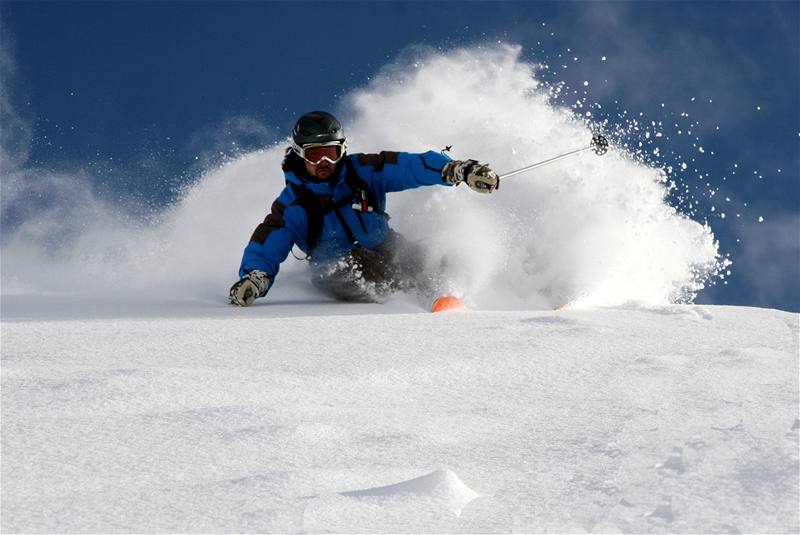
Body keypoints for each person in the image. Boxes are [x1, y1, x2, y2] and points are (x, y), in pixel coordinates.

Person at [229, 111, 499, 307]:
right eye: (314, 154)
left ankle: (456, 295)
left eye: (332, 152)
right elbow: (268, 242)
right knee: (367, 271)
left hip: (385, 245)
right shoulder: (292, 204)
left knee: (431, 261)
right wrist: (256, 278)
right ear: (300, 154)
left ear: (342, 150)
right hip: (336, 268)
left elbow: (409, 167)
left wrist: (457, 170)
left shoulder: (364, 171)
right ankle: (409, 305)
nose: (324, 161)